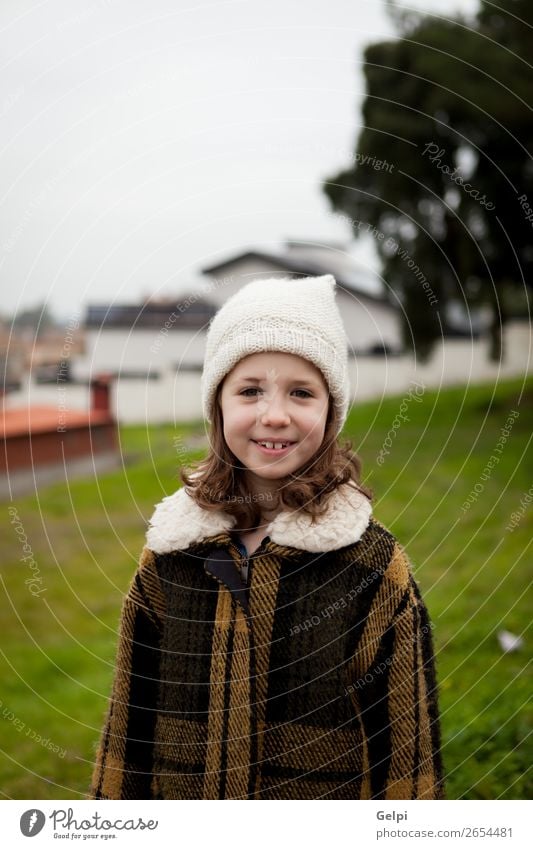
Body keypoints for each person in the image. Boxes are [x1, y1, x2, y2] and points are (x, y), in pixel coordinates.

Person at [90, 274, 444, 800]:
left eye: (301, 393)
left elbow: (408, 752)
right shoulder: (170, 558)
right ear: (218, 405)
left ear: (330, 409)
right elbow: (127, 726)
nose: (273, 415)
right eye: (250, 390)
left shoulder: (371, 567)